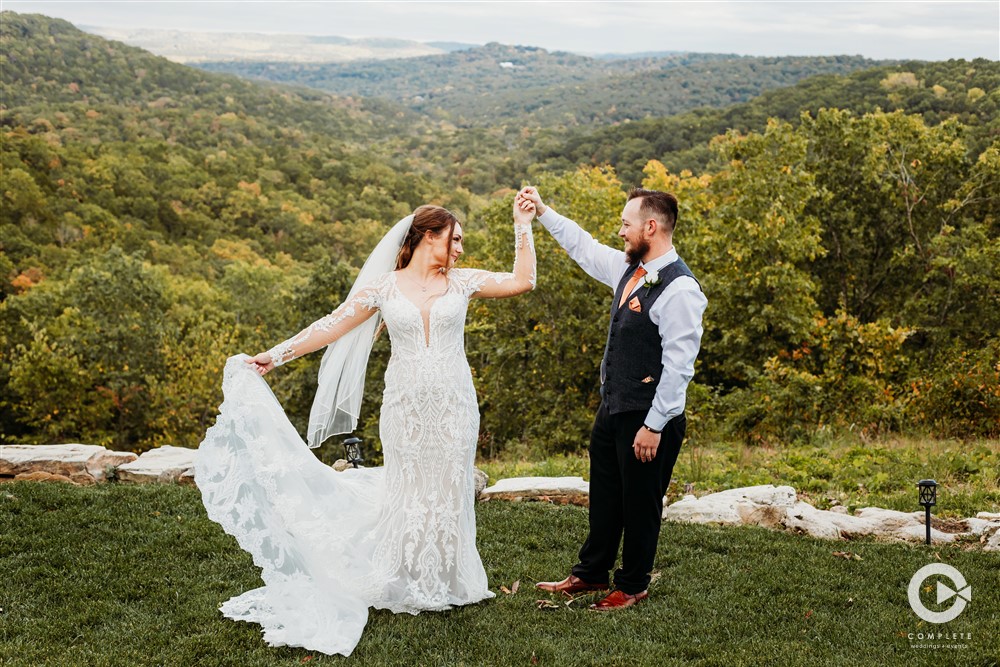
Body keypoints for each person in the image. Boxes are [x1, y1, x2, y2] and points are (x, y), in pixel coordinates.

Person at [195, 201, 536, 656]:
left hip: (455, 403)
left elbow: (522, 282)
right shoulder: (384, 288)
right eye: (454, 238)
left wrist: (522, 226)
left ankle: (448, 577)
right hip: (405, 405)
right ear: (427, 236)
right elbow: (329, 327)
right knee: (410, 484)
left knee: (448, 483)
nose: (460, 247)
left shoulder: (464, 281)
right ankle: (403, 574)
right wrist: (273, 357)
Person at [516, 185, 706, 610]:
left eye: (626, 223)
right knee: (604, 494)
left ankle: (633, 584)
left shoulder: (680, 290)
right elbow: (584, 248)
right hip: (614, 407)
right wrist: (545, 212)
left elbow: (679, 367)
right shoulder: (629, 269)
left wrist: (654, 426)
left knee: (640, 505)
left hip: (649, 418)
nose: (620, 231)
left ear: (650, 227)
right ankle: (590, 573)